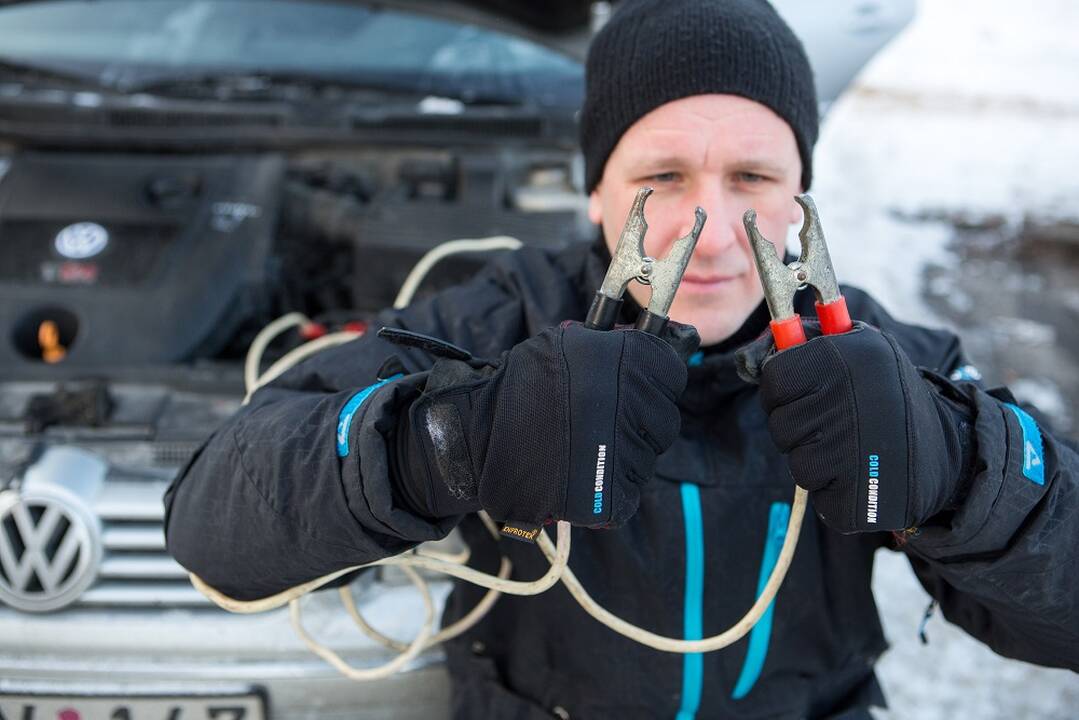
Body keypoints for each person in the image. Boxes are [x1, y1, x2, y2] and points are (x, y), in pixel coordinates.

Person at [164, 0, 1079, 717]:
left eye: (753, 179)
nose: (713, 231)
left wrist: (963, 473)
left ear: (802, 193)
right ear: (596, 188)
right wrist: (443, 441)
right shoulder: (493, 323)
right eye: (661, 178)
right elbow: (212, 532)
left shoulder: (887, 366)